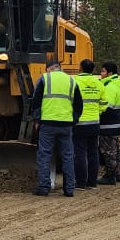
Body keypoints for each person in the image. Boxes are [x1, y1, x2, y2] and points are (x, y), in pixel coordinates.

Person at [31, 59, 83, 197]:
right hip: (66, 125)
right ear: (59, 68)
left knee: (44, 156)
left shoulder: (44, 79)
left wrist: (37, 120)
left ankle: (44, 187)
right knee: (67, 156)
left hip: (47, 124)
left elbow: (36, 101)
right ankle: (69, 189)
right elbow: (78, 104)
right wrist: (74, 120)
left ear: (48, 69)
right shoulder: (71, 81)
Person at [72, 59, 105, 190]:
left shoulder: (75, 82)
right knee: (93, 153)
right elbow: (104, 102)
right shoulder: (98, 83)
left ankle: (80, 183)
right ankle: (92, 182)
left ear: (80, 68)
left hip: (80, 123)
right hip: (94, 123)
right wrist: (98, 112)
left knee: (80, 154)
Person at [97, 62, 120, 185]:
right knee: (116, 150)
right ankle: (118, 173)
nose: (100, 74)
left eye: (103, 71)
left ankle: (110, 176)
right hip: (116, 123)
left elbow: (105, 107)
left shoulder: (109, 87)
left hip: (107, 124)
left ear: (110, 73)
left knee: (108, 152)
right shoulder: (118, 84)